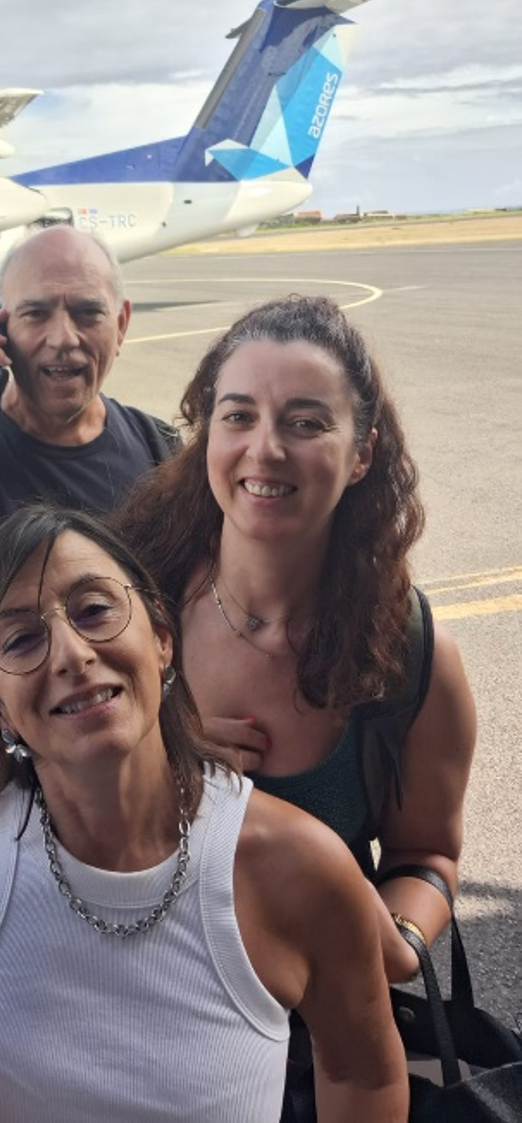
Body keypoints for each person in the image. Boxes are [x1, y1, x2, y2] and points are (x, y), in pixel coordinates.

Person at [0, 505, 408, 1122]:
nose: (72, 654)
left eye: (95, 610)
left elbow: (361, 1075)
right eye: (21, 638)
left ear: (161, 638)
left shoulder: (298, 866)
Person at [115, 294, 476, 983]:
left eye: (306, 422)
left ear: (363, 454)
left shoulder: (411, 655)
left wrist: (399, 941)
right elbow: (11, 779)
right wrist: (148, 759)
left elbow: (426, 856)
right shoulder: (123, 605)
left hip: (316, 1039)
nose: (266, 448)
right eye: (239, 416)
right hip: (130, 1002)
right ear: (209, 435)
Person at [0, 225, 177, 777]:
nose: (63, 337)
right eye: (35, 314)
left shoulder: (160, 452)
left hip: (116, 780)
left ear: (121, 323)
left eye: (86, 313)